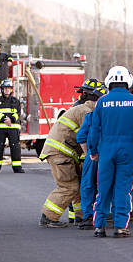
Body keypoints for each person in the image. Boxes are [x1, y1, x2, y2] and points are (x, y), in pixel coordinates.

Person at [88, 66, 133, 238]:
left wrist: (93, 150)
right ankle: (121, 226)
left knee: (103, 188)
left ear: (109, 81)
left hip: (106, 150)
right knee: (123, 188)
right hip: (126, 150)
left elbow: (94, 129)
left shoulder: (101, 102)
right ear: (128, 81)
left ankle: (99, 226)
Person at [38, 89, 96, 228]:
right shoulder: (86, 112)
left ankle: (81, 216)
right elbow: (89, 136)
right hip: (60, 154)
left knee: (77, 185)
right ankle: (48, 216)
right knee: (69, 187)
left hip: (61, 153)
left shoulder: (83, 108)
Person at [75, 85, 107, 230]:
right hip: (108, 154)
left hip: (93, 154)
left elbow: (82, 137)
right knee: (111, 185)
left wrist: (89, 153)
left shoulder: (92, 115)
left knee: (88, 184)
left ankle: (88, 216)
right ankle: (110, 214)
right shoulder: (114, 116)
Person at [0, 79, 24, 173]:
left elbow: (18, 113)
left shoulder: (15, 101)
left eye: (9, 88)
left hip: (13, 128)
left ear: (11, 89)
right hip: (0, 128)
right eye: (5, 88)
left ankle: (17, 167)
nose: (7, 90)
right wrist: (5, 119)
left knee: (15, 146)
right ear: (2, 89)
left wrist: (11, 120)